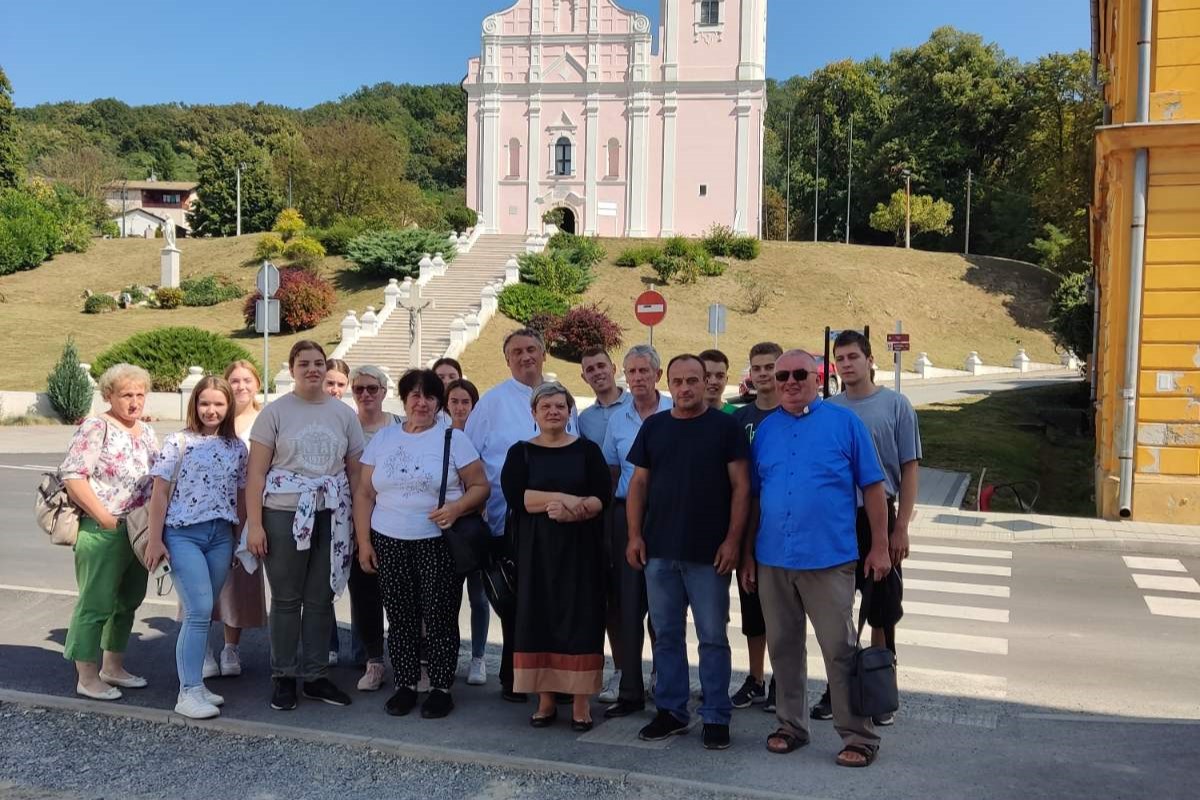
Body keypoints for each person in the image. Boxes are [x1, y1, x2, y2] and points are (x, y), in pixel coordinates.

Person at [740, 349, 891, 767]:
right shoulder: (766, 431)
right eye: (782, 374)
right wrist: (749, 554)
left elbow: (874, 487)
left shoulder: (845, 423)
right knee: (784, 648)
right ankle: (791, 726)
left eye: (799, 374)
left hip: (828, 559)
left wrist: (880, 545)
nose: (789, 381)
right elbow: (754, 497)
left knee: (839, 650)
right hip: (773, 558)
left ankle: (859, 735)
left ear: (817, 377)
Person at [626, 354, 750, 751]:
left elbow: (742, 488)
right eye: (678, 381)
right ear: (668, 382)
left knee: (713, 637)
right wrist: (634, 535)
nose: (685, 388)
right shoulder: (654, 427)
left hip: (709, 553)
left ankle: (715, 714)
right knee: (666, 636)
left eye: (692, 380)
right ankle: (672, 711)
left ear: (706, 382)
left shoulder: (725, 427)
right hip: (659, 550)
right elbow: (638, 486)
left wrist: (732, 541)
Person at [353, 369, 490, 719]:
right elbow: (365, 493)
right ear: (404, 399)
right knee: (399, 616)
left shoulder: (452, 439)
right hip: (389, 539)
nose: (421, 402)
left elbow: (479, 487)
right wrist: (364, 541)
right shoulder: (383, 439)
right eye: (414, 395)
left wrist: (456, 508)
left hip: (436, 542)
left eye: (429, 396)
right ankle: (406, 684)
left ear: (437, 402)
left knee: (440, 615)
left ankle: (442, 686)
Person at [246, 340, 364, 712]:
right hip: (283, 513)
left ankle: (316, 675)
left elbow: (357, 473)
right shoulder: (275, 413)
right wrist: (255, 526)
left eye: (318, 363)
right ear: (292, 368)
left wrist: (360, 529)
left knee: (320, 597)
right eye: (305, 363)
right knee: (285, 598)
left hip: (331, 514)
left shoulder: (343, 415)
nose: (312, 369)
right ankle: (283, 675)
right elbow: (256, 474)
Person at [811, 330, 921, 726]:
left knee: (881, 610)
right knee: (835, 610)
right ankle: (835, 690)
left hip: (879, 518)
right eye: (840, 358)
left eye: (854, 356)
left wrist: (901, 528)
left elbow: (909, 468)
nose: (846, 364)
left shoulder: (895, 406)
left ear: (870, 360)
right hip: (836, 520)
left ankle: (879, 691)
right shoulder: (827, 408)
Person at [465, 327, 577, 702]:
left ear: (544, 354)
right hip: (506, 517)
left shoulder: (563, 399)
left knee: (553, 599)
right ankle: (514, 674)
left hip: (561, 523)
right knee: (513, 598)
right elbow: (472, 458)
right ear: (507, 359)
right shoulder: (492, 403)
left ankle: (554, 677)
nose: (526, 356)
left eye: (532, 349)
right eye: (517, 351)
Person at [502, 382, 611, 731]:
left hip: (581, 550)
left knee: (581, 621)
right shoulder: (520, 452)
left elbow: (600, 499)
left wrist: (573, 511)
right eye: (545, 406)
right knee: (539, 619)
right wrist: (566, 497)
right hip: (535, 551)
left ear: (569, 411)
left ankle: (581, 703)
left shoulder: (588, 451)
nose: (553, 411)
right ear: (533, 413)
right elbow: (519, 497)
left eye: (560, 406)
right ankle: (545, 700)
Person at [143, 377, 246, 719]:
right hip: (183, 534)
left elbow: (242, 495)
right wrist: (155, 539)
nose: (211, 410)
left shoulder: (237, 448)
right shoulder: (178, 441)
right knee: (198, 610)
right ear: (195, 405)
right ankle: (187, 692)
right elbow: (159, 493)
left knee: (205, 611)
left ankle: (198, 687)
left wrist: (240, 537)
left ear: (229, 406)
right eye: (205, 403)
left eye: (219, 403)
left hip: (220, 536)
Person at [60, 364, 159, 701]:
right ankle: (86, 677)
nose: (134, 402)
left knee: (128, 600)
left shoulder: (145, 432)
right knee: (95, 603)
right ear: (109, 396)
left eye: (139, 395)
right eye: (126, 395)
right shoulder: (96, 426)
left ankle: (112, 667)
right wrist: (104, 518)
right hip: (106, 527)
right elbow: (74, 476)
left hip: (138, 528)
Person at [599, 344, 672, 719]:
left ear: (658, 375)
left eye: (645, 371)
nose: (638, 378)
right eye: (632, 372)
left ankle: (666, 683)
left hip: (669, 517)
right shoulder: (618, 419)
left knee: (665, 607)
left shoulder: (675, 411)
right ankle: (630, 689)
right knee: (628, 606)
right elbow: (612, 471)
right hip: (627, 515)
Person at [729, 342, 783, 713]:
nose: (763, 374)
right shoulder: (740, 418)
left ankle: (784, 678)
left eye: (770, 367)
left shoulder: (793, 413)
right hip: (747, 519)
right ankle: (756, 677)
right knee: (752, 606)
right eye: (757, 368)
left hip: (782, 522)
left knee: (785, 609)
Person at [575, 346, 629, 703]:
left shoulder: (639, 405)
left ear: (613, 367)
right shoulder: (583, 419)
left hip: (645, 509)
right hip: (604, 514)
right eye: (589, 369)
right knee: (612, 599)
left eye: (601, 366)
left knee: (651, 599)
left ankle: (657, 673)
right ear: (583, 377)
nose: (597, 372)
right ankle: (622, 672)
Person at [209, 360, 268, 679]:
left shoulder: (264, 419)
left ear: (257, 384)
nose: (241, 386)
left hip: (248, 507)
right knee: (203, 577)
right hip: (210, 507)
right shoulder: (214, 413)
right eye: (234, 379)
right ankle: (202, 647)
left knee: (239, 579)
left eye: (247, 380)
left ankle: (231, 648)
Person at [346, 365, 402, 692]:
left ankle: (406, 660)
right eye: (359, 389)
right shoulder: (345, 426)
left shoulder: (397, 426)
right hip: (358, 519)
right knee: (365, 593)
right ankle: (373, 661)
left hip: (395, 521)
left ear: (383, 391)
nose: (366, 394)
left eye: (372, 388)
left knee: (400, 596)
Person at [446, 377, 491, 687]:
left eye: (466, 402)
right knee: (447, 598)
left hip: (474, 524)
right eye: (454, 402)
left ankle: (478, 658)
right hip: (446, 526)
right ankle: (448, 656)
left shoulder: (482, 437)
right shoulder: (439, 436)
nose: (460, 408)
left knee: (478, 596)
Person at [698, 349, 738, 413]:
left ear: (726, 380)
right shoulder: (684, 415)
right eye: (707, 375)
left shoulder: (739, 415)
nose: (713, 382)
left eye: (720, 376)